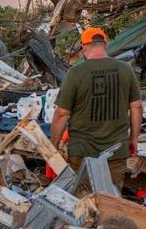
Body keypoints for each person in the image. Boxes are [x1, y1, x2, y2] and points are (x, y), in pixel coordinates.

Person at [51, 27, 141, 190]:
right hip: (116, 151)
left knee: (82, 201)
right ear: (105, 44)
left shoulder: (75, 73)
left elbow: (62, 113)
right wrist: (134, 139)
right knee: (111, 202)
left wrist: (54, 144)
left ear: (84, 47)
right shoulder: (126, 69)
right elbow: (136, 107)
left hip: (82, 153)